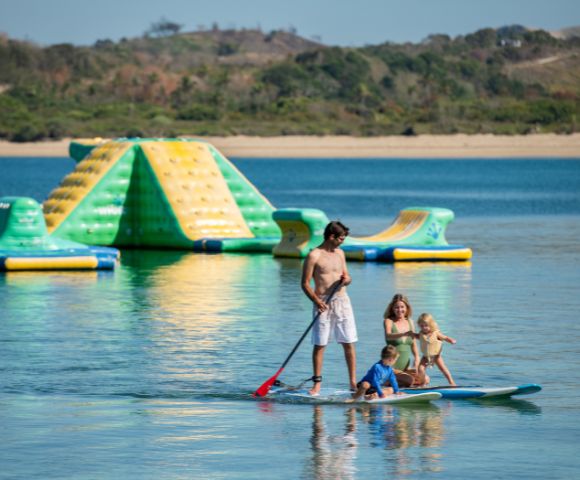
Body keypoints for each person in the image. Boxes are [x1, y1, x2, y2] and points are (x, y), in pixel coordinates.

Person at [301, 220, 357, 396]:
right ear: (331, 237)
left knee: (348, 342)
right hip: (322, 303)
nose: (343, 241)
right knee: (320, 344)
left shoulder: (340, 253)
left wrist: (347, 280)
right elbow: (305, 284)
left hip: (342, 301)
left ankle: (353, 382)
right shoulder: (314, 256)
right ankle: (317, 384)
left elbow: (347, 276)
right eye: (341, 238)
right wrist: (317, 301)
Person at [413, 313, 457, 386]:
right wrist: (410, 334)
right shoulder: (421, 334)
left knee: (443, 369)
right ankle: (422, 383)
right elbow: (417, 336)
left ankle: (451, 382)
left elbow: (445, 337)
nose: (424, 328)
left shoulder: (435, 333)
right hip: (425, 357)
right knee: (420, 369)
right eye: (422, 326)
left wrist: (451, 340)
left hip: (436, 356)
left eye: (426, 326)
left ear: (431, 324)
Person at [383, 293, 420, 373]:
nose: (400, 310)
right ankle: (389, 381)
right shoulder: (388, 321)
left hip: (405, 369)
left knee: (425, 379)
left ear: (407, 308)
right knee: (409, 380)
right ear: (392, 308)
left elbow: (414, 345)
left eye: (402, 307)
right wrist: (404, 334)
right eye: (396, 307)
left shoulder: (410, 322)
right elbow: (388, 336)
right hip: (391, 368)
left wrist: (417, 359)